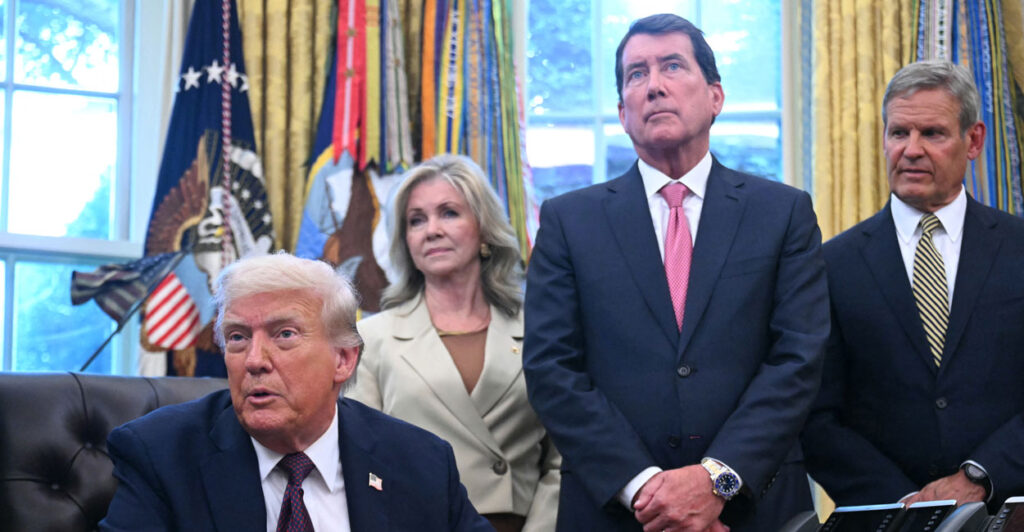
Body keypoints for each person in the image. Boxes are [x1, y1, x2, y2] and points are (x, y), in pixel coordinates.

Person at [522, 13, 829, 532]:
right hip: (619, 513)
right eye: (636, 74)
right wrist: (645, 489)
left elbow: (798, 360)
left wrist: (716, 480)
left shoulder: (782, 212)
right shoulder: (568, 221)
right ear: (622, 112)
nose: (655, 85)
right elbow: (552, 370)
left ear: (715, 96)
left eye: (671, 66)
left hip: (754, 507)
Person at [100, 252, 492, 531]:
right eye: (237, 337)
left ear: (343, 360)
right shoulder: (161, 455)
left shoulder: (419, 463)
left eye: (284, 334)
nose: (254, 360)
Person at [802, 60, 1024, 511]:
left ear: (974, 140)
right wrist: (908, 504)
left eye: (933, 134)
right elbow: (815, 417)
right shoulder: (832, 264)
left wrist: (981, 476)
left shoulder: (1019, 247)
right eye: (899, 133)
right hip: (888, 516)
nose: (911, 150)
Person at [350, 154, 560, 532]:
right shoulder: (371, 339)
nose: (431, 230)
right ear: (406, 240)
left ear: (483, 229)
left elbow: (563, 460)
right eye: (416, 220)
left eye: (449, 213)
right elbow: (359, 463)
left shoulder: (542, 331)